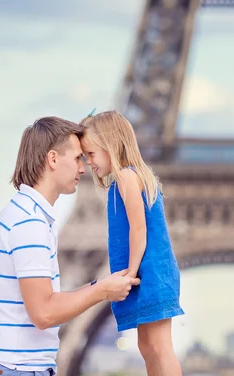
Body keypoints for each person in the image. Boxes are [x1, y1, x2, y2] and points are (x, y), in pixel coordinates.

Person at [0, 116, 140, 376]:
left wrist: (100, 285)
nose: (83, 168)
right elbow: (44, 313)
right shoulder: (28, 223)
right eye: (76, 159)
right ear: (52, 159)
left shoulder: (30, 216)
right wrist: (102, 291)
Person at [79, 110, 184, 376]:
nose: (88, 162)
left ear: (110, 144)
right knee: (147, 346)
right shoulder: (122, 181)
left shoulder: (127, 177)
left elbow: (139, 229)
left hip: (149, 272)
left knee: (159, 347)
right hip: (143, 272)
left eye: (90, 154)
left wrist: (131, 271)